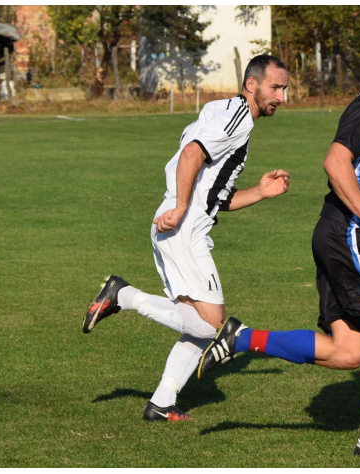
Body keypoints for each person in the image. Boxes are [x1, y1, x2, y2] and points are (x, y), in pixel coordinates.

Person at [197, 25, 360, 460]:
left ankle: (241, 338)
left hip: (340, 232)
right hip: (349, 234)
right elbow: (335, 163)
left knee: (347, 353)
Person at [83, 55, 292, 422]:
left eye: (285, 88)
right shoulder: (238, 118)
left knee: (197, 325)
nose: (282, 96)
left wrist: (259, 192)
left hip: (183, 221)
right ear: (251, 85)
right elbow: (192, 154)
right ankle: (124, 295)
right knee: (214, 327)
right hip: (183, 226)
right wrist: (181, 207)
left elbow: (215, 196)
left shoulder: (223, 111)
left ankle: (162, 403)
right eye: (276, 87)